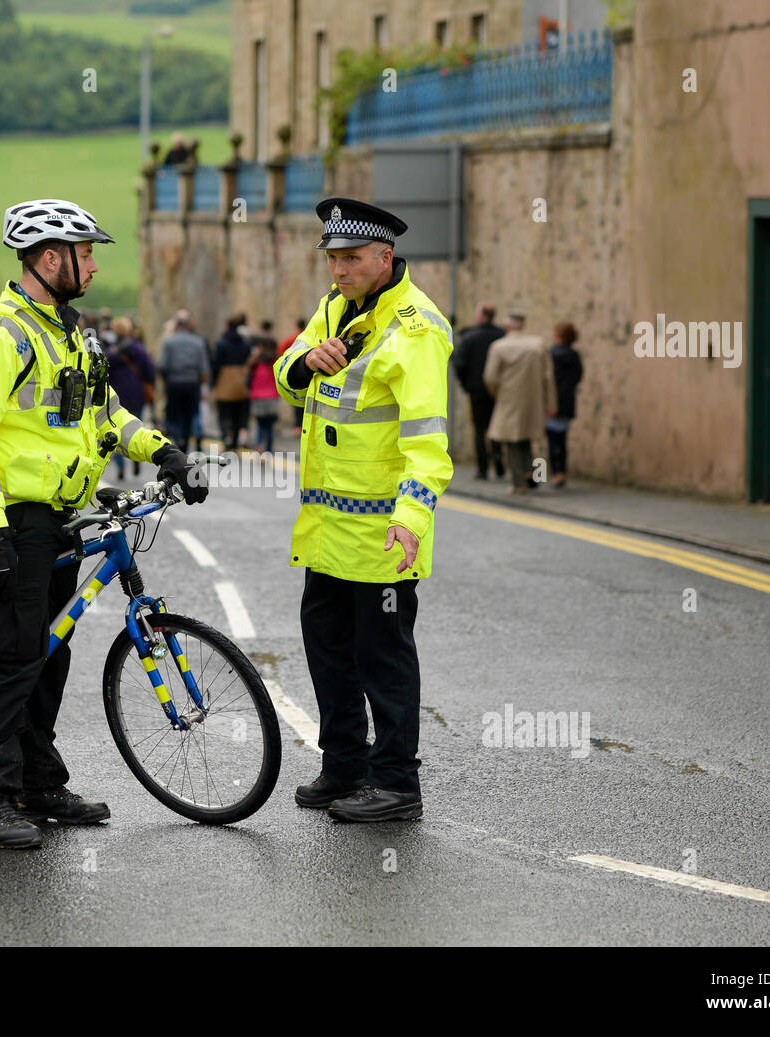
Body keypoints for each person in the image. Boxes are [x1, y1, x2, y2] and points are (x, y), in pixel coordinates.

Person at [0, 197, 208, 849]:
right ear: (47, 258)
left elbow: (108, 415)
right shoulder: (1, 334)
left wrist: (165, 451)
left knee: (48, 655)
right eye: (85, 252)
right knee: (6, 659)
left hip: (58, 521)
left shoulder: (71, 333)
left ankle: (37, 781)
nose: (93, 265)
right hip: (5, 524)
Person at [274, 196, 453, 822]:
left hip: (382, 535)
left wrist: (411, 521)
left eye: (350, 258)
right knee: (328, 652)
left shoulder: (416, 329)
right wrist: (303, 360)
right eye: (332, 257)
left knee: (384, 659)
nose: (338, 269)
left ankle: (398, 782)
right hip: (325, 531)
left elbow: (429, 447)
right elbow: (283, 375)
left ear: (386, 256)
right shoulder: (334, 308)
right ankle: (344, 765)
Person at [483, 309, 557, 494]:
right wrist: (551, 403)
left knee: (512, 441)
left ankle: (519, 483)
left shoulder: (498, 347)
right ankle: (533, 475)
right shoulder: (538, 345)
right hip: (533, 400)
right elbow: (548, 376)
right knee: (526, 439)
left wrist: (497, 392)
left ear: (508, 326)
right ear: (523, 325)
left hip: (508, 398)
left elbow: (490, 377)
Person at [452, 301, 506, 480]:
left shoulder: (470, 337)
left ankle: (482, 468)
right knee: (496, 426)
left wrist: (465, 384)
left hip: (476, 389)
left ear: (481, 316)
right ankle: (498, 462)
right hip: (498, 389)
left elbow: (459, 363)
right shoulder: (502, 335)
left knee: (479, 429)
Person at [104, 315, 157, 479]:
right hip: (136, 394)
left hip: (117, 396)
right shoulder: (139, 349)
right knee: (136, 427)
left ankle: (120, 466)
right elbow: (149, 371)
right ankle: (136, 457)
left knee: (116, 431)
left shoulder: (110, 352)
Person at [158, 309, 210, 451]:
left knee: (174, 413)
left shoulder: (169, 342)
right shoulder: (198, 342)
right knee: (189, 414)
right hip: (192, 383)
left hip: (174, 383)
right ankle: (185, 442)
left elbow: (162, 365)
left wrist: (167, 380)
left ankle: (177, 437)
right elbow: (203, 367)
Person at [547, 321, 583, 488]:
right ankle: (562, 472)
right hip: (568, 402)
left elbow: (548, 379)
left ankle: (556, 473)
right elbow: (578, 376)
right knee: (562, 440)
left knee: (552, 440)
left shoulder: (552, 354)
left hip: (553, 402)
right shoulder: (575, 355)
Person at [213, 313, 251, 451]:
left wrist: (214, 381)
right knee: (237, 413)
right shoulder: (245, 344)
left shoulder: (221, 343)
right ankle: (234, 440)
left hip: (224, 380)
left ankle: (225, 435)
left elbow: (216, 363)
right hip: (240, 381)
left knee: (223, 411)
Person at [247, 330, 281, 455]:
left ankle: (260, 445)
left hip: (258, 397)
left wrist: (255, 354)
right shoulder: (277, 360)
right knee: (270, 425)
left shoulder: (256, 361)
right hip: (272, 397)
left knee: (260, 424)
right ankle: (269, 448)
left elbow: (248, 370)